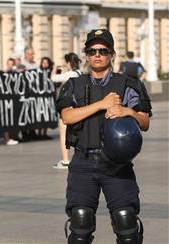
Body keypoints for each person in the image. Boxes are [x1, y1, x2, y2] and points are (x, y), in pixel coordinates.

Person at [56, 29, 151, 243]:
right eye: (92, 51)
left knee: (125, 221)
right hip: (83, 161)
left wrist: (130, 112)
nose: (97, 55)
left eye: (103, 50)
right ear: (86, 56)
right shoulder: (74, 85)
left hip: (117, 164)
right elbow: (67, 117)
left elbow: (145, 122)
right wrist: (102, 105)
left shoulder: (128, 84)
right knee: (80, 221)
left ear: (112, 55)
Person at [51, 53, 82, 169]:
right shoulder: (80, 72)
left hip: (68, 107)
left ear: (68, 62)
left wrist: (55, 68)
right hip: (78, 106)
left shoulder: (70, 74)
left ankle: (65, 160)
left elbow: (53, 78)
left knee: (64, 134)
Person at [38, 57, 55, 140]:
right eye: (43, 62)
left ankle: (44, 133)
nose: (45, 64)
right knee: (40, 116)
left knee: (47, 115)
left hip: (48, 98)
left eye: (46, 63)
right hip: (40, 98)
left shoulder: (50, 73)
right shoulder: (38, 72)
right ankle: (39, 134)